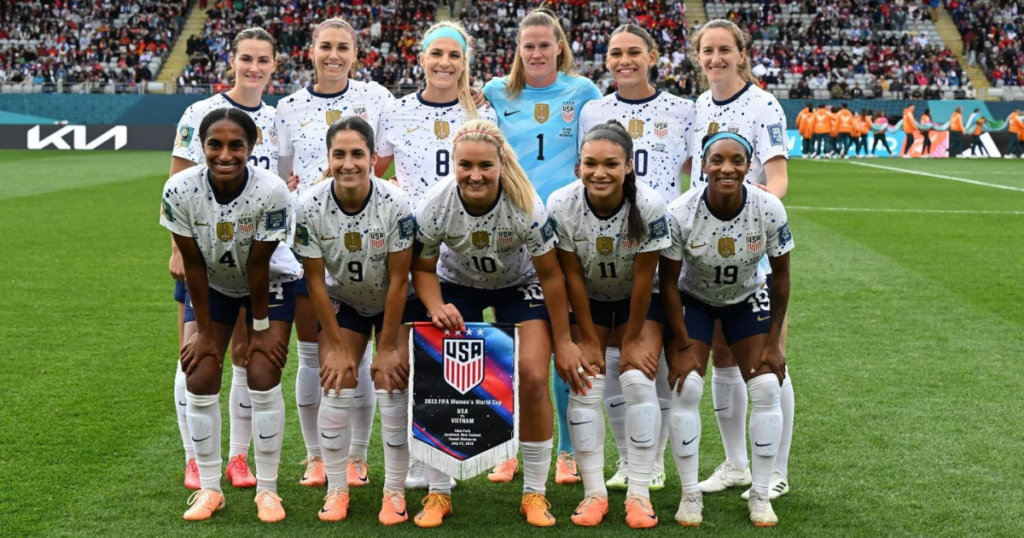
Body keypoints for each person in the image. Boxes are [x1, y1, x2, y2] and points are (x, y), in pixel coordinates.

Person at [412, 119, 589, 527]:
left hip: (519, 285)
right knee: (444, 374)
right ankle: (439, 492)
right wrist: (437, 305)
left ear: (500, 164)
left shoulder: (526, 204)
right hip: (458, 286)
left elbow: (550, 276)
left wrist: (563, 340)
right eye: (466, 165)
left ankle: (535, 494)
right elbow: (422, 268)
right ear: (452, 164)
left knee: (529, 375)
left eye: (485, 166)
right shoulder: (435, 203)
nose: (475, 175)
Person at [373, 19, 496, 495]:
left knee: (451, 363)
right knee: (415, 362)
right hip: (414, 252)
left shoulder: (482, 113)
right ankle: (420, 462)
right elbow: (371, 170)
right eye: (436, 54)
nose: (445, 62)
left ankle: (445, 457)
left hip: (467, 250)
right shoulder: (397, 111)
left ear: (466, 62)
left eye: (454, 55)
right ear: (420, 59)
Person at [160, 108, 300, 522]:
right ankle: (209, 489)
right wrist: (204, 332)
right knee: (200, 370)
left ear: (251, 147)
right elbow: (193, 264)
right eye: (215, 145)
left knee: (262, 370)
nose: (225, 154)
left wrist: (259, 330)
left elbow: (259, 266)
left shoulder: (272, 190)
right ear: (202, 147)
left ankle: (268, 491)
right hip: (212, 282)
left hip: (269, 281)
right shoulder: (179, 188)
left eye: (235, 145)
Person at [482, 7, 602, 487]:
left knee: (562, 345)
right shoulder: (494, 93)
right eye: (527, 45)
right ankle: (509, 445)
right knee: (511, 348)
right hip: (510, 234)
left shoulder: (583, 92)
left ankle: (568, 452)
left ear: (559, 47)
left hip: (565, 236)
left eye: (543, 44)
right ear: (518, 50)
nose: (535, 52)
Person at [275, 17, 394, 488]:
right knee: (313, 356)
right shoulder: (287, 108)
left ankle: (358, 457)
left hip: (369, 241)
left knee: (359, 357)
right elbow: (288, 175)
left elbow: (379, 163)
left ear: (355, 53)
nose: (334, 55)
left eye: (343, 47)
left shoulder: (377, 99)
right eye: (325, 46)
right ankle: (315, 457)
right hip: (311, 240)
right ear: (310, 51)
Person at [577, 23, 695, 494]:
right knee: (610, 364)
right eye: (615, 53)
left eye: (633, 53)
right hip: (603, 247)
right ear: (606, 60)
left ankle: (654, 460)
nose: (624, 61)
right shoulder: (594, 110)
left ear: (652, 57)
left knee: (654, 361)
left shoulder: (681, 110)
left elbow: (698, 171)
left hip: (662, 247)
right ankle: (628, 460)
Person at [686, 19, 795, 502]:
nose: (715, 59)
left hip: (751, 246)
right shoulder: (700, 105)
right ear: (697, 56)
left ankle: (777, 471)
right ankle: (734, 464)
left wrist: (749, 215)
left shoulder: (762, 104)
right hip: (703, 253)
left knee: (770, 362)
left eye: (724, 50)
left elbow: (777, 180)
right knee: (722, 357)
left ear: (741, 53)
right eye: (707, 51)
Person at [660, 131, 793, 527]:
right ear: (702, 165)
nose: (727, 168)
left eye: (737, 160)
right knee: (687, 385)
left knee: (768, 385)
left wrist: (773, 342)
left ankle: (761, 492)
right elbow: (666, 281)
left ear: (749, 165)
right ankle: (689, 496)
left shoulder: (768, 207)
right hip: (693, 299)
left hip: (746, 298)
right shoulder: (681, 210)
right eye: (717, 160)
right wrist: (682, 341)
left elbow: (782, 279)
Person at [168, 27, 280, 492]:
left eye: (263, 60)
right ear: (232, 61)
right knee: (196, 353)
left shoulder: (277, 118)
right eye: (246, 58)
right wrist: (177, 248)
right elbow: (178, 181)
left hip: (256, 255)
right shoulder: (199, 112)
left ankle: (237, 457)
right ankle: (195, 459)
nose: (254, 67)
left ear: (275, 66)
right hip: (204, 254)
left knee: (242, 353)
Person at [292, 117, 415, 525]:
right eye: (339, 154)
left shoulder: (396, 203)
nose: (348, 163)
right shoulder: (309, 205)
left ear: (374, 158)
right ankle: (336, 489)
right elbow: (314, 279)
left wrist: (389, 347)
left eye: (358, 154)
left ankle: (394, 491)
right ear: (328, 159)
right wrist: (340, 346)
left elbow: (400, 280)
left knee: (391, 384)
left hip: (395, 303)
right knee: (337, 380)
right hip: (345, 299)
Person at [549, 120, 672, 528]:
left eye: (610, 164)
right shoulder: (561, 204)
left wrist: (633, 338)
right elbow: (572, 279)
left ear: (628, 167)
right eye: (590, 164)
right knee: (585, 384)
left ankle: (638, 493)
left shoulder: (651, 207)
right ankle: (593, 494)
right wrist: (587, 339)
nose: (599, 172)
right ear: (578, 167)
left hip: (641, 300)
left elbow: (643, 281)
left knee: (637, 378)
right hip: (590, 299)